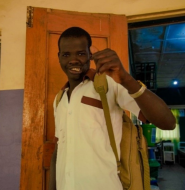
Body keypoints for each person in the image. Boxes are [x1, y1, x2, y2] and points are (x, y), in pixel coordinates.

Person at [49, 27, 175, 190]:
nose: (73, 60)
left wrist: (126, 79)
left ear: (90, 55)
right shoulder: (58, 100)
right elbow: (58, 149)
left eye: (80, 53)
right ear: (59, 57)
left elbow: (168, 122)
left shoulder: (109, 84)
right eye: (66, 55)